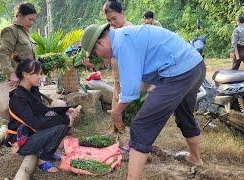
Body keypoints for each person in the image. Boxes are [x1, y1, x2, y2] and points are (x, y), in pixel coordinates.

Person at [81, 23, 205, 179]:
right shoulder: (125, 36)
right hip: (195, 65)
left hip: (179, 72)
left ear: (100, 43)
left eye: (95, 52)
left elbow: (131, 90)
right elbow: (142, 77)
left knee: (141, 125)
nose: (98, 56)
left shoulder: (122, 44)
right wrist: (144, 89)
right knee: (184, 114)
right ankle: (195, 158)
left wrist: (117, 112)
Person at [6, 55, 80, 173]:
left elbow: (44, 111)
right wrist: (64, 119)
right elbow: (35, 123)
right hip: (22, 142)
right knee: (61, 126)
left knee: (61, 124)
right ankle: (43, 160)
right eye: (37, 74)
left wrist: (65, 111)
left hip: (32, 134)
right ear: (25, 75)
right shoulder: (18, 98)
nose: (40, 77)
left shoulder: (32, 91)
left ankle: (47, 153)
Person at [82, 0, 133, 132]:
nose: (112, 23)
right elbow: (106, 62)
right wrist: (93, 64)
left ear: (122, 13)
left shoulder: (130, 31)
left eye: (114, 18)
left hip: (131, 81)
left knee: (132, 113)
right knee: (116, 112)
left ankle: (135, 142)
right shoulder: (110, 34)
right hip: (118, 82)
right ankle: (116, 137)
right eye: (109, 20)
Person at [0, 2, 37, 87]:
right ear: (20, 16)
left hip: (30, 81)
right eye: (29, 19)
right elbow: (3, 53)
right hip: (18, 82)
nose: (31, 23)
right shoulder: (11, 31)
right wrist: (11, 74)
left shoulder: (26, 33)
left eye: (33, 20)